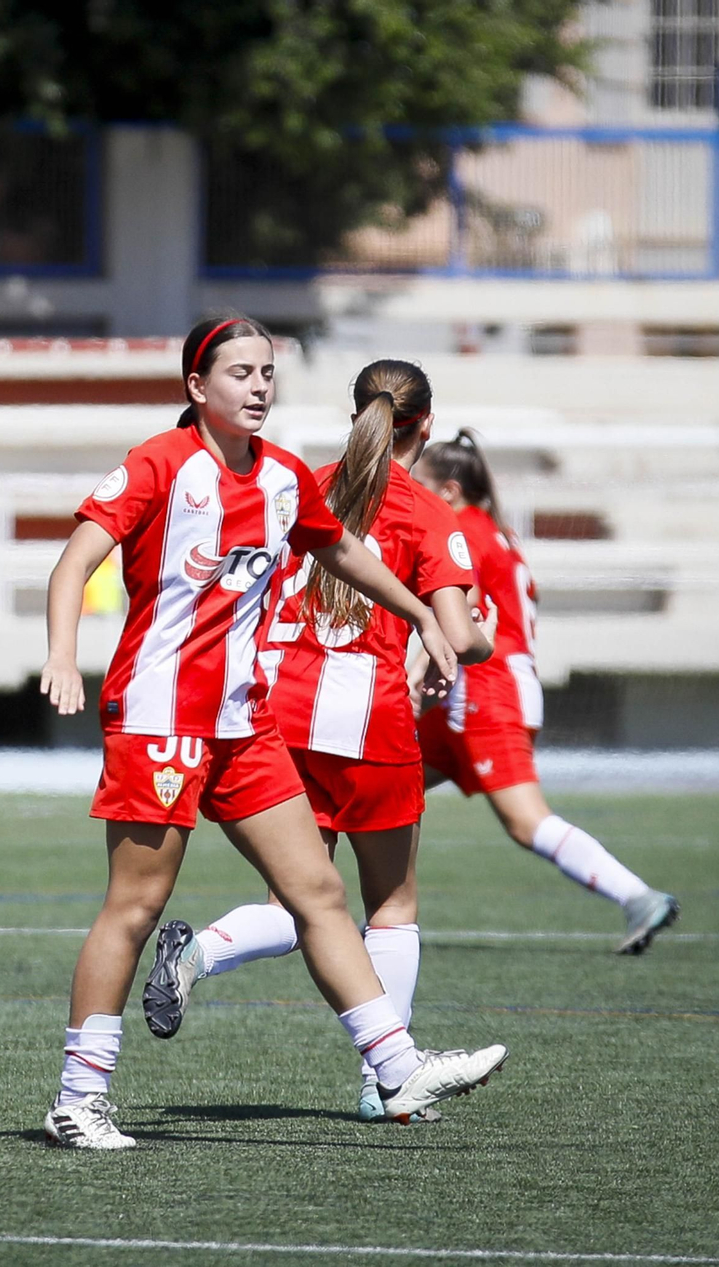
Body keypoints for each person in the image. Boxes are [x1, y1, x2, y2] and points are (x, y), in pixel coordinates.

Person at [37, 315, 509, 1149]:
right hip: (163, 719)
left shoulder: (289, 476)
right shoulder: (158, 464)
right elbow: (76, 560)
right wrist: (63, 656)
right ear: (197, 387)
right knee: (136, 903)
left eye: (267, 372)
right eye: (239, 373)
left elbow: (344, 554)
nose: (258, 386)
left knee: (317, 895)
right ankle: (79, 1097)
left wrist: (421, 619)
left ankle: (395, 1068)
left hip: (245, 723)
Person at [138, 360, 493, 1125]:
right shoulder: (429, 512)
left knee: (299, 896)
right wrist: (479, 637)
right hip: (368, 721)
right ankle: (386, 1083)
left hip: (276, 709)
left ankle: (196, 952)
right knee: (389, 903)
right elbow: (460, 639)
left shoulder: (295, 479)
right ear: (424, 424)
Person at [413, 429, 679, 954]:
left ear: (446, 491)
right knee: (382, 788)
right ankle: (369, 924)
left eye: (417, 482)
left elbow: (462, 617)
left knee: (525, 820)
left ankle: (639, 897)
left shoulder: (462, 530)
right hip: (493, 689)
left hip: (484, 692)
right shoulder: (494, 529)